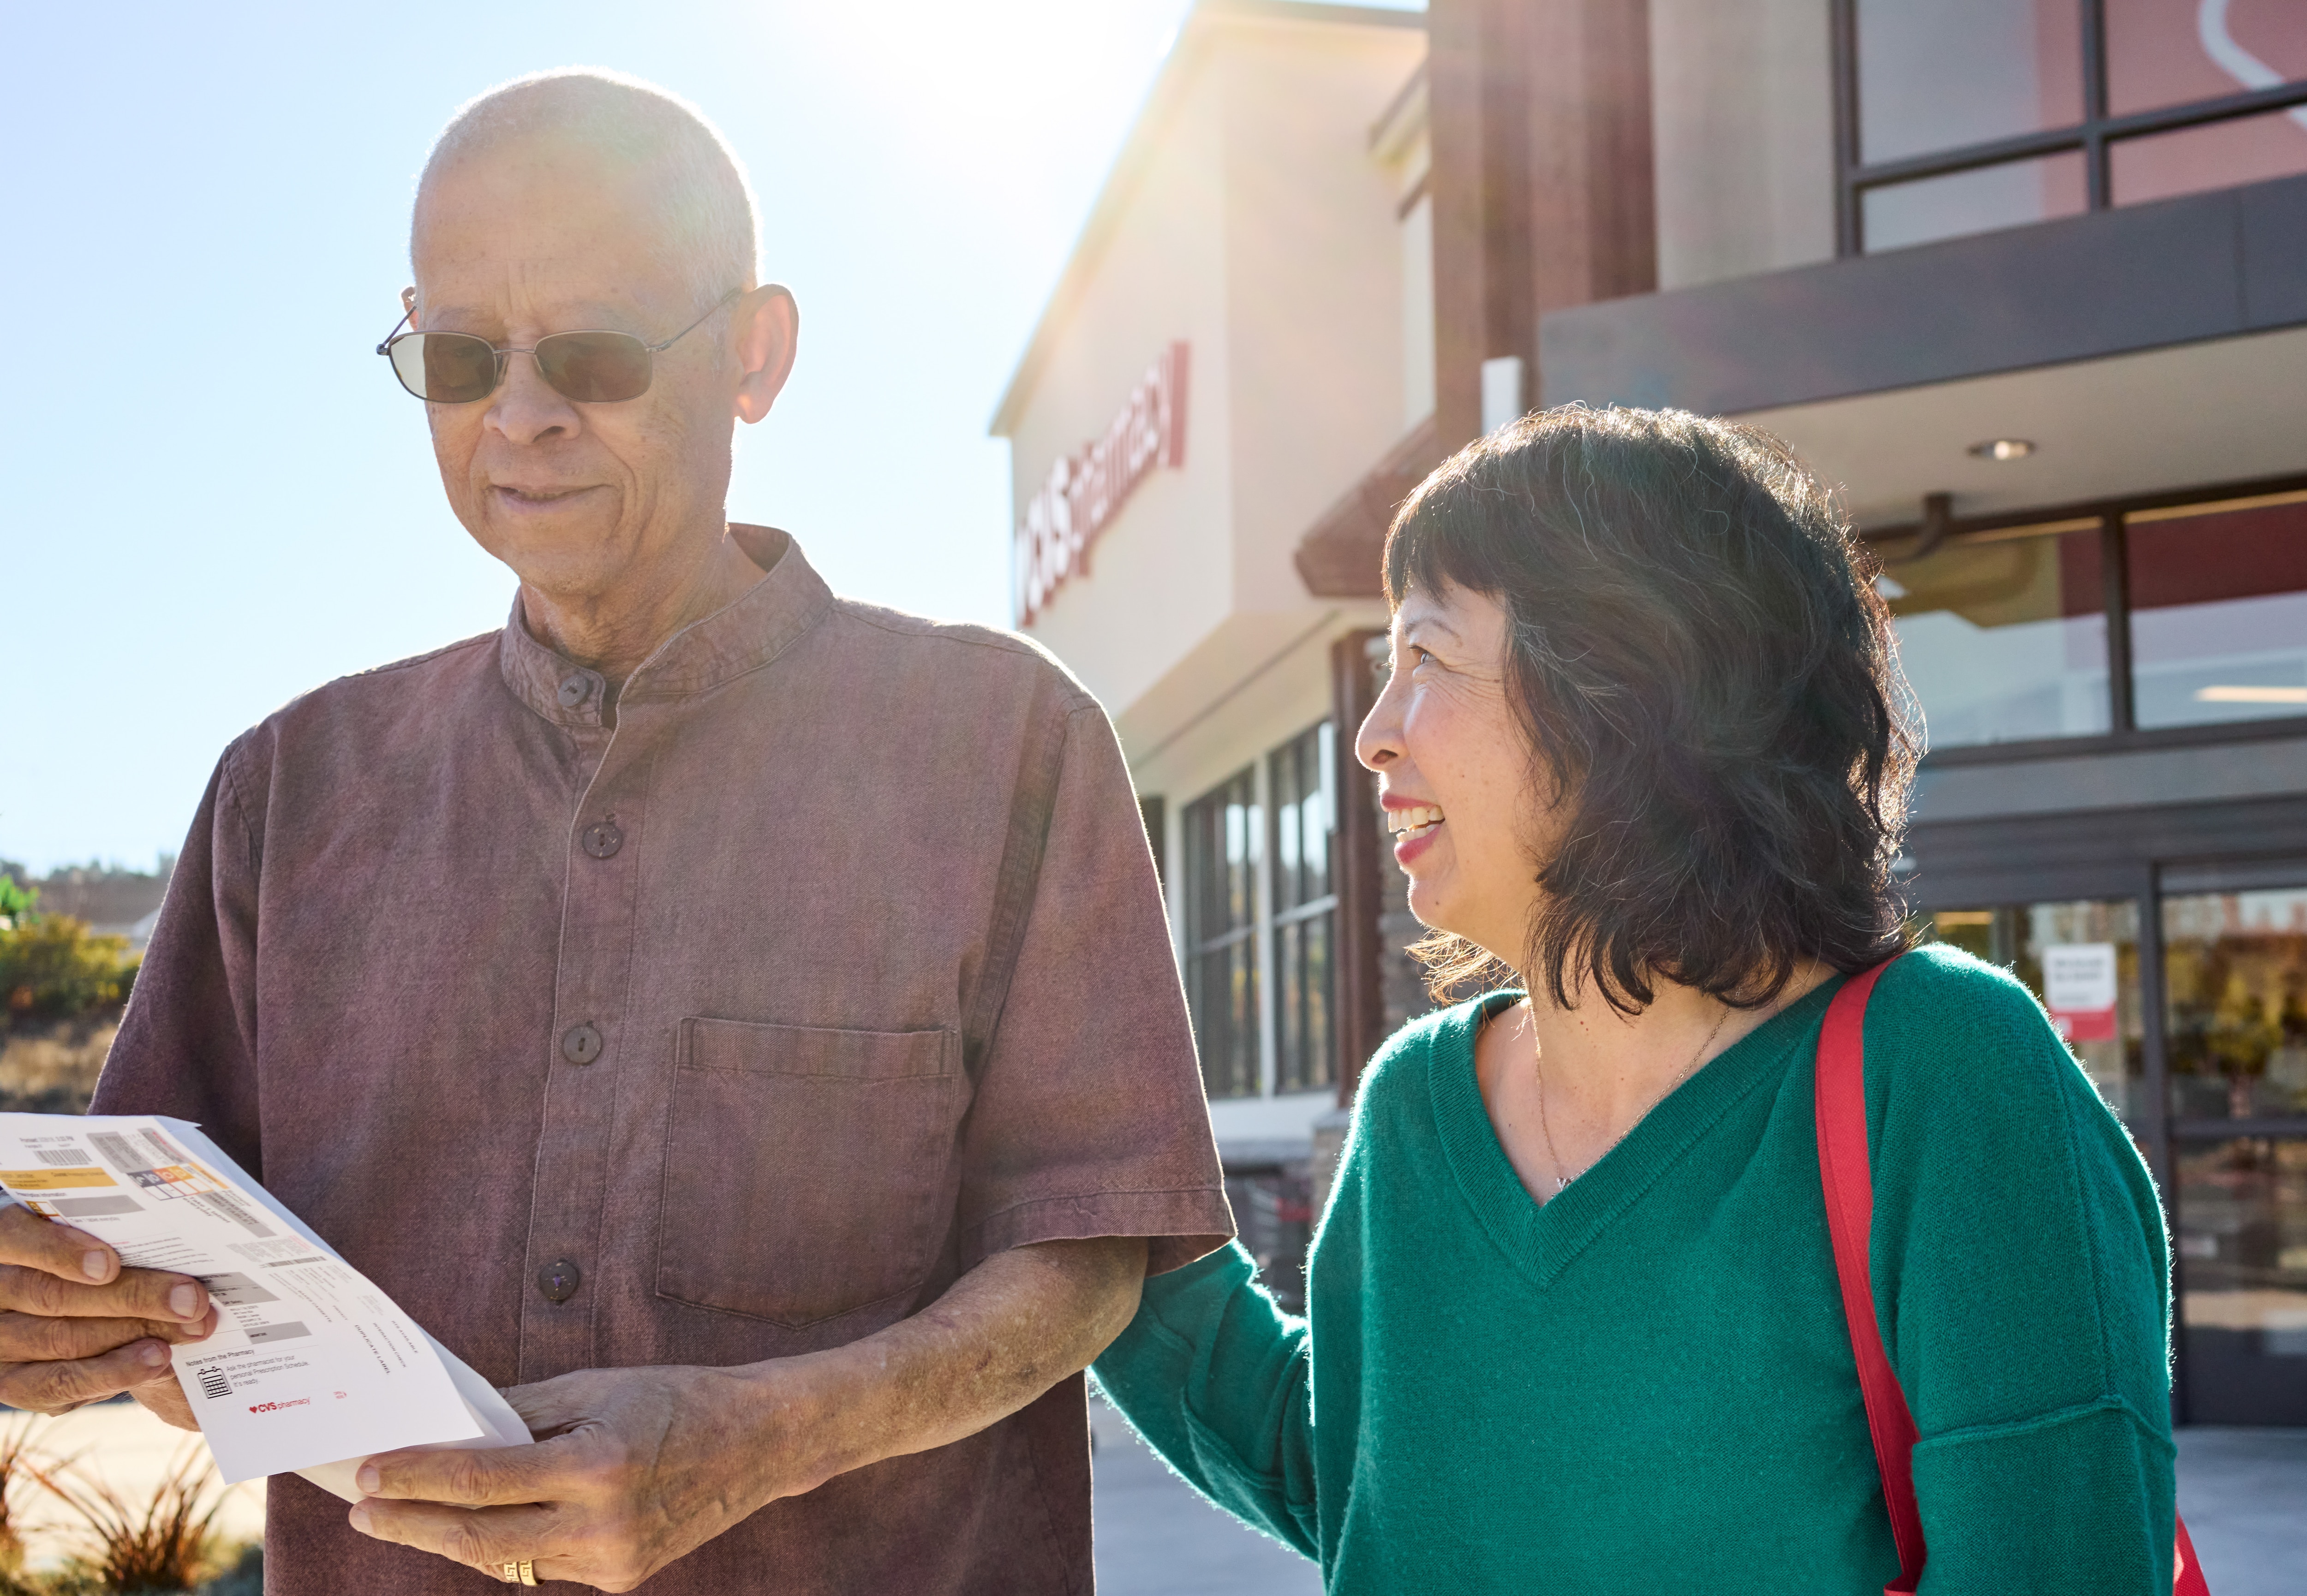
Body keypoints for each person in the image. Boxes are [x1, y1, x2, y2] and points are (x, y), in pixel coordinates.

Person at [0, 69, 1232, 1594]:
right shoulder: (284, 795)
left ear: (755, 355)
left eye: (591, 351)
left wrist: (765, 1437)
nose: (521, 415)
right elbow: (151, 1273)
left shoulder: (1008, 752)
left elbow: (1090, 1255)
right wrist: (62, 1317)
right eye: (460, 358)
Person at [1092, 405, 2181, 1593]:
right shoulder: (1414, 1108)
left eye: (1427, 658)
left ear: (1624, 688)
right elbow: (1353, 1475)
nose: (1371, 736)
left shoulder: (1947, 1075)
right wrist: (1081, 1194)